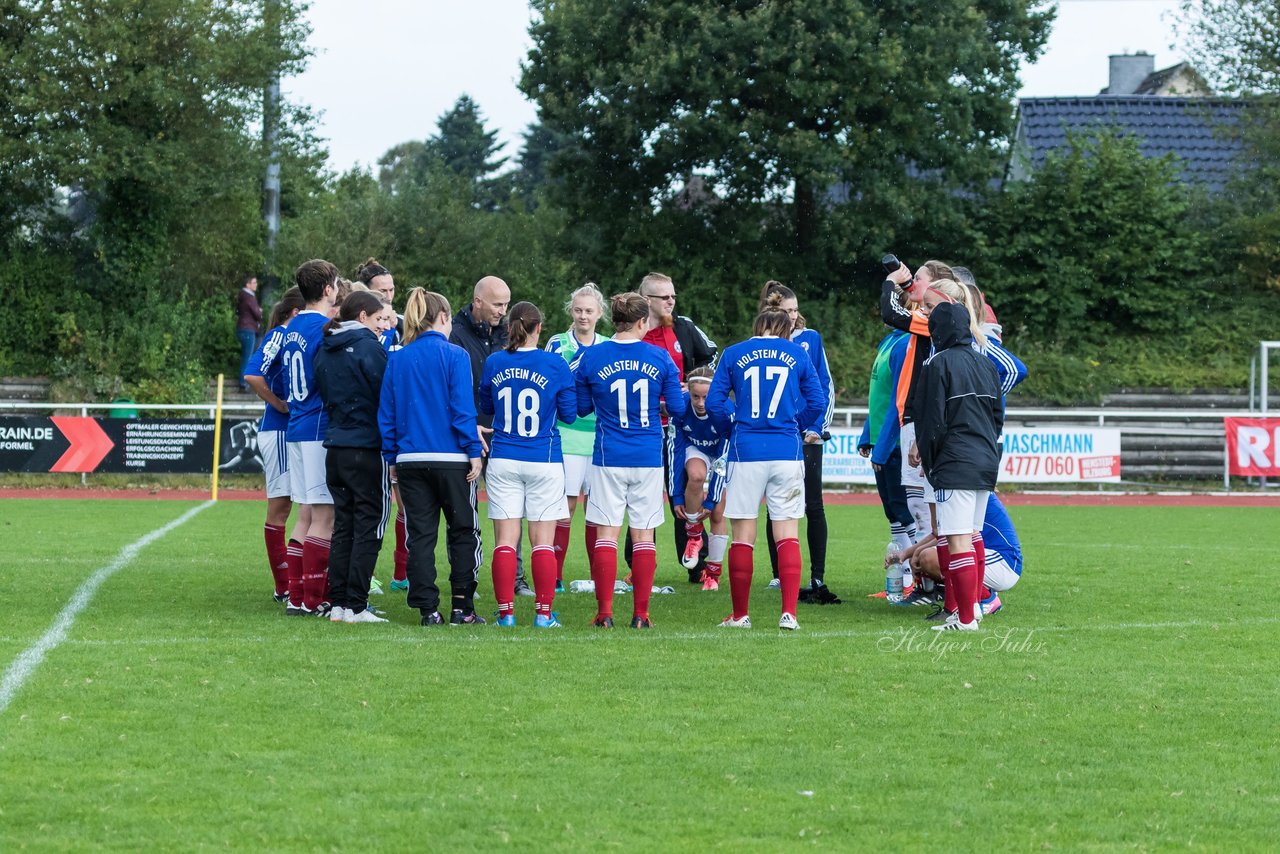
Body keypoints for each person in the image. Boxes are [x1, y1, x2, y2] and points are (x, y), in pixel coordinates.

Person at [706, 292, 827, 630]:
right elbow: (817, 401)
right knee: (787, 533)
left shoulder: (733, 353)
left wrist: (732, 424)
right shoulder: (797, 353)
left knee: (743, 534)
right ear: (784, 328)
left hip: (747, 453)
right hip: (787, 451)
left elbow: (715, 403)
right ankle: (789, 613)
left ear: (757, 326)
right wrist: (796, 424)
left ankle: (741, 615)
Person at [572, 292, 686, 628]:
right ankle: (641, 614)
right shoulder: (660, 357)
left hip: (609, 455)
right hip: (648, 455)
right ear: (641, 322)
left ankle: (605, 613)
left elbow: (581, 408)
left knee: (607, 534)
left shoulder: (592, 357)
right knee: (643, 536)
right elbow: (678, 410)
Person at [379, 287, 487, 626]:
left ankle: (428, 610)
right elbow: (461, 409)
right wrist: (473, 451)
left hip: (411, 460)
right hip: (452, 459)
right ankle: (462, 607)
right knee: (463, 531)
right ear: (443, 318)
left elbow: (388, 413)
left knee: (420, 536)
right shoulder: (456, 355)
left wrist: (393, 459)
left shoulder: (397, 357)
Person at [479, 301, 577, 627]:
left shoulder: (494, 361)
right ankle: (543, 615)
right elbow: (569, 414)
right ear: (538, 329)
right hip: (544, 459)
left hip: (504, 457)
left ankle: (506, 614)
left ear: (510, 328)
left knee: (505, 541)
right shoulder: (555, 363)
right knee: (542, 541)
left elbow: (486, 406)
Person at [915, 301, 1004, 632]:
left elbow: (931, 422)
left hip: (955, 460)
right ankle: (974, 610)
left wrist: (931, 459)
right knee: (975, 534)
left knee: (957, 541)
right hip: (985, 459)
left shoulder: (937, 364)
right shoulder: (986, 364)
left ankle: (965, 618)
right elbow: (997, 418)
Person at [629, 272, 718, 583]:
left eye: (673, 296)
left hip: (682, 429)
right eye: (663, 297)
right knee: (643, 497)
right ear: (646, 301)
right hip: (644, 428)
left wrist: (695, 383)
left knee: (684, 495)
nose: (670, 301)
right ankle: (638, 565)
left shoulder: (684, 326)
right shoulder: (632, 333)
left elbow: (712, 355)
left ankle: (697, 564)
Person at [449, 275, 533, 596]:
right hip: (467, 433)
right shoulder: (454, 335)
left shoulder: (509, 335)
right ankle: (466, 579)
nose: (504, 311)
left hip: (505, 433)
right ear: (478, 301)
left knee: (511, 510)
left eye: (507, 304)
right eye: (498, 304)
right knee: (463, 511)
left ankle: (516, 578)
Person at [756, 282, 838, 604]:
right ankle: (779, 576)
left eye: (794, 310)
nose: (792, 317)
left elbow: (824, 385)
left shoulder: (810, 340)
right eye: (786, 312)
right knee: (774, 509)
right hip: (777, 437)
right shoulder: (761, 346)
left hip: (808, 436)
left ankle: (817, 575)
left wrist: (817, 427)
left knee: (813, 506)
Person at [314, 290, 392, 624]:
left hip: (335, 447)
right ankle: (356, 605)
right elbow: (384, 395)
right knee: (367, 526)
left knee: (344, 526)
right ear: (362, 316)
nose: (382, 328)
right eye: (378, 320)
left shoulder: (325, 348)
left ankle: (339, 603)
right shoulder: (368, 348)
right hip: (365, 447)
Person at [278, 260, 340, 616]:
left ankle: (298, 596)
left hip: (296, 426)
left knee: (305, 514)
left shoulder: (291, 327)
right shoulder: (322, 328)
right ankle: (313, 599)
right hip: (317, 426)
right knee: (324, 516)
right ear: (329, 289)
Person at [243, 286, 307, 604]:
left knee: (311, 506)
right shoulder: (281, 335)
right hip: (281, 431)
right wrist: (278, 404)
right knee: (281, 508)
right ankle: (284, 585)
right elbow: (253, 374)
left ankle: (298, 582)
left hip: (296, 430)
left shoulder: (297, 336)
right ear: (296, 312)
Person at [882, 259, 954, 542]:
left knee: (923, 506)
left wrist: (891, 281)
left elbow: (892, 313)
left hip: (919, 417)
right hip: (911, 417)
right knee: (921, 504)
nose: (911, 281)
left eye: (918, 279)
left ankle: (927, 576)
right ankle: (926, 575)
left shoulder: (933, 320)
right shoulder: (929, 318)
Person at [545, 284, 609, 591]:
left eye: (589, 311)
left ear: (599, 314)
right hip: (567, 435)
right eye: (578, 310)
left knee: (598, 507)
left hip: (599, 438)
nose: (583, 316)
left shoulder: (608, 346)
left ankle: (599, 577)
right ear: (571, 311)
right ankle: (555, 576)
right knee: (566, 505)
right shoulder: (557, 344)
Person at [857, 322, 918, 592]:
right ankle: (901, 579)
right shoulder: (889, 341)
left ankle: (919, 576)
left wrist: (883, 444)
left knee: (904, 511)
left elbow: (898, 400)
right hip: (882, 440)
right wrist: (867, 433)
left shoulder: (905, 344)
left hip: (894, 443)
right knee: (892, 511)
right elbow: (878, 396)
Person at [895, 492, 1022, 619]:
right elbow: (944, 532)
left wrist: (916, 552)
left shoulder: (964, 490)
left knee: (930, 558)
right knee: (929, 555)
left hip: (1004, 562)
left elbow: (954, 533)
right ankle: (956, 597)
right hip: (986, 553)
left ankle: (986, 598)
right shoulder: (961, 487)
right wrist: (909, 553)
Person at [669, 367, 729, 591]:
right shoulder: (680, 408)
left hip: (722, 455)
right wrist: (676, 495)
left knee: (717, 512)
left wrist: (711, 498)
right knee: (695, 475)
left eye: (706, 397)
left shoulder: (724, 411)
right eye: (696, 396)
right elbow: (674, 452)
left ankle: (713, 572)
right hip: (698, 448)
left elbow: (723, 459)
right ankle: (694, 535)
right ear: (689, 392)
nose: (701, 402)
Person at [236, 274, 262, 392]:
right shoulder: (248, 297)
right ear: (248, 284)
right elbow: (257, 314)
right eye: (254, 282)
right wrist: (259, 311)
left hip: (244, 329)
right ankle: (243, 383)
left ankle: (245, 382)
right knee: (247, 357)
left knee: (248, 356)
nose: (256, 285)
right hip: (248, 330)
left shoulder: (243, 296)